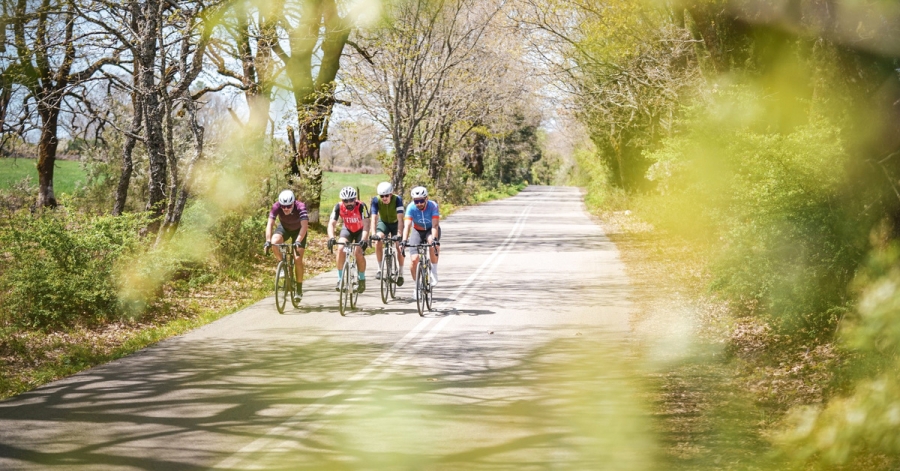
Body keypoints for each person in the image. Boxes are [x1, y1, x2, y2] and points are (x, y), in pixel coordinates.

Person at [264, 189, 309, 302]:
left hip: (299, 231)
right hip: (285, 228)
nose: (285, 209)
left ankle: (299, 289)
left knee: (297, 259)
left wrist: (298, 240)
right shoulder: (276, 206)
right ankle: (282, 263)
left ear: (293, 203)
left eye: (288, 206)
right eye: (283, 206)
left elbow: (304, 226)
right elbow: (270, 224)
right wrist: (267, 241)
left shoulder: (301, 207)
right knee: (275, 241)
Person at [328, 186, 370, 293]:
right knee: (341, 248)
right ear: (342, 201)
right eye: (345, 201)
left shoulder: (361, 206)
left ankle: (361, 279)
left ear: (355, 199)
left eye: (351, 200)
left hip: (361, 230)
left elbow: (366, 224)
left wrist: (364, 240)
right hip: (348, 229)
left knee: (358, 253)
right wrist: (331, 237)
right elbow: (331, 224)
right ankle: (340, 279)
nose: (349, 203)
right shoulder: (338, 207)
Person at [401, 185, 440, 297]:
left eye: (421, 201)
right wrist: (404, 241)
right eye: (416, 201)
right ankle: (417, 286)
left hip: (430, 229)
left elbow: (435, 225)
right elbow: (407, 226)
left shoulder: (433, 206)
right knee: (414, 259)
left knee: (432, 243)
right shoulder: (411, 207)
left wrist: (434, 240)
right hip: (417, 230)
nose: (418, 204)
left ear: (426, 199)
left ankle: (434, 272)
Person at [369, 181, 405, 286]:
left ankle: (401, 273)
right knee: (378, 241)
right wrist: (374, 233)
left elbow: (400, 219)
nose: (384, 198)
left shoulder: (397, 200)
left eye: (386, 196)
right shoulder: (376, 200)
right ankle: (380, 269)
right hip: (384, 222)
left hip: (396, 224)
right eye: (382, 196)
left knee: (399, 246)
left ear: (391, 194)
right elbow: (374, 218)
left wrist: (398, 234)